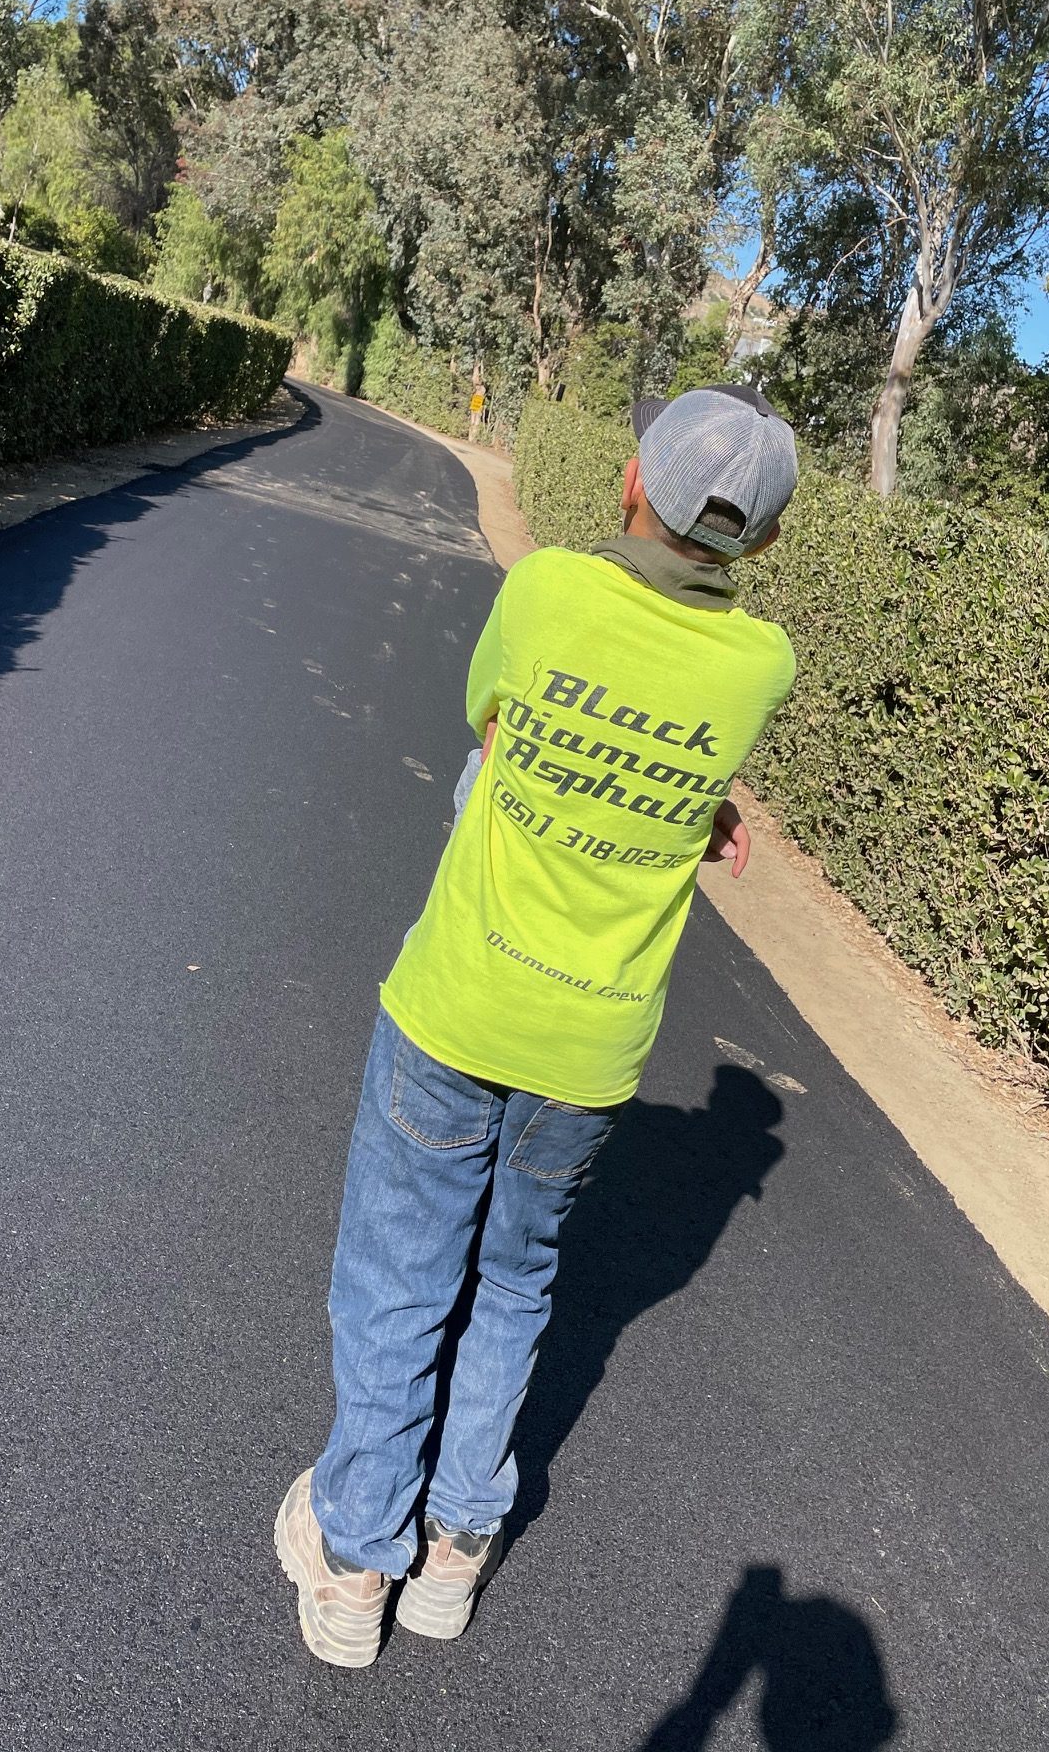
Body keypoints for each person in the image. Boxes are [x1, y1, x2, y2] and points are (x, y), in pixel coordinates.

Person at [275, 384, 800, 1668]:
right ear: (764, 544)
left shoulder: (552, 592)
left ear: (632, 484)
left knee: (398, 1284)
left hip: (460, 1007)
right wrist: (697, 807)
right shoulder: (763, 666)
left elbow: (493, 727)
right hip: (591, 1051)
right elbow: (678, 760)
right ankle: (456, 1548)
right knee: (513, 1284)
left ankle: (354, 1558)